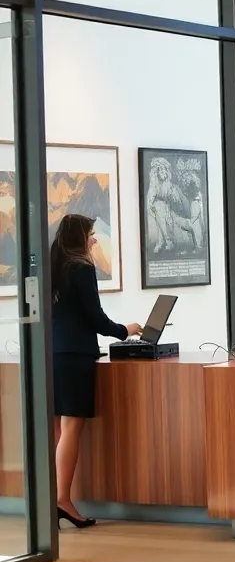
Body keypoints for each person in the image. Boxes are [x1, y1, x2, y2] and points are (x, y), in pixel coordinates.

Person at [50, 214, 142, 529]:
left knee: (57, 431)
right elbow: (95, 317)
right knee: (71, 428)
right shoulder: (81, 268)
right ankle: (62, 500)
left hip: (50, 356)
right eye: (90, 234)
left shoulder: (53, 267)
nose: (94, 239)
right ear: (80, 237)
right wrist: (125, 330)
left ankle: (52, 499)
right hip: (75, 357)